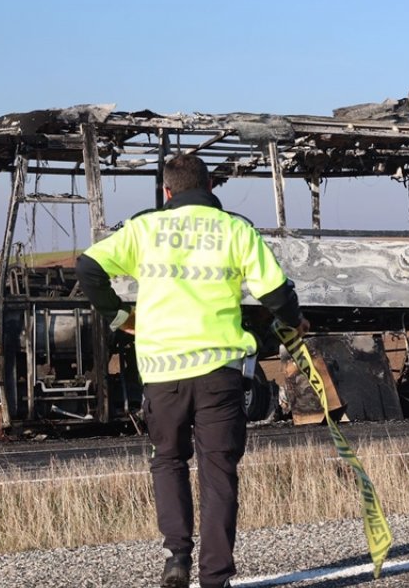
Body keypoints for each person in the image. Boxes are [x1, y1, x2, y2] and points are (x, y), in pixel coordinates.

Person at [76, 152, 308, 588]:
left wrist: (120, 318)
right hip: (220, 370)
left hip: (162, 371)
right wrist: (294, 323)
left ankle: (176, 557)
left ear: (167, 191)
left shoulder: (144, 228)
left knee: (167, 460)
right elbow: (276, 293)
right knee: (218, 469)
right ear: (210, 187)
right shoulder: (235, 230)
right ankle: (215, 578)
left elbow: (88, 267)